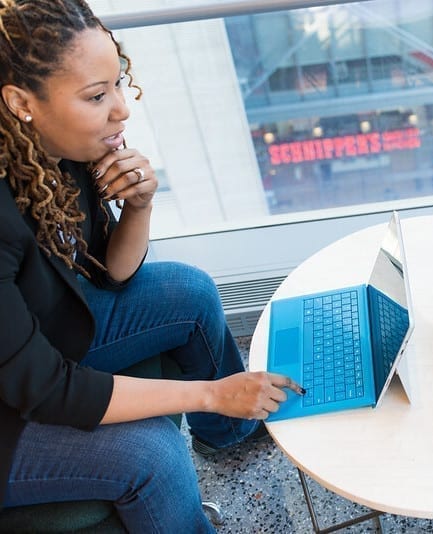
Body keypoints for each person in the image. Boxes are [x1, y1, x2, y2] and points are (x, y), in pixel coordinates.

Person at [0, 1, 304, 532]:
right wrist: (212, 390)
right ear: (21, 101)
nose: (121, 109)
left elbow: (108, 275)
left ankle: (228, 434)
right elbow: (44, 389)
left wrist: (138, 205)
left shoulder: (54, 147)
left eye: (117, 84)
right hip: (11, 405)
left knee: (187, 291)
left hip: (36, 344)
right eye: (97, 96)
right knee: (152, 452)